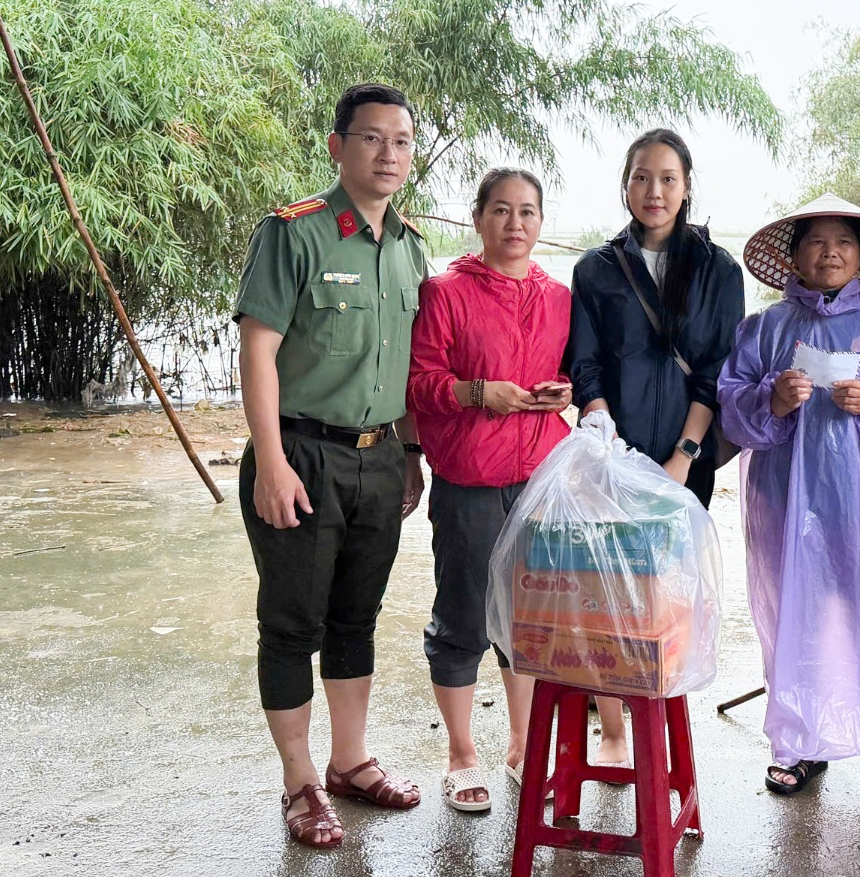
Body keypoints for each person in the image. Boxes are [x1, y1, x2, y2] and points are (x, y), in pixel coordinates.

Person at [235, 83, 426, 849]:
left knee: (356, 619)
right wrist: (271, 464)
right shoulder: (295, 233)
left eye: (402, 140)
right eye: (373, 137)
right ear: (337, 146)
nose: (389, 153)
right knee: (292, 625)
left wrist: (411, 454)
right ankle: (300, 780)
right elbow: (258, 348)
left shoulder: (411, 248)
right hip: (302, 454)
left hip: (381, 459)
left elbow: (410, 365)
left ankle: (351, 762)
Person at [717, 194, 860, 805]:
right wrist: (771, 400)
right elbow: (731, 405)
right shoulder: (764, 327)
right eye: (816, 242)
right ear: (794, 255)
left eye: (843, 242)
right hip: (785, 502)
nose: (830, 252)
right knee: (796, 614)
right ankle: (799, 742)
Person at [567, 128, 745, 768]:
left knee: (663, 593)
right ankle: (613, 730)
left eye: (668, 178)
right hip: (609, 456)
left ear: (687, 186)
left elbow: (717, 371)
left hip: (682, 457)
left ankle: (661, 714)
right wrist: (602, 428)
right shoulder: (595, 269)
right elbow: (583, 363)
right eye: (642, 177)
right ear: (625, 185)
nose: (655, 191)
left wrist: (685, 456)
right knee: (604, 592)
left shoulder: (719, 271)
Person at [406, 167, 573, 812]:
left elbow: (566, 371)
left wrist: (560, 390)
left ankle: (522, 742)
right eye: (501, 211)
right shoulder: (445, 291)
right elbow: (420, 386)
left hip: (541, 481)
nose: (515, 225)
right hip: (470, 479)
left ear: (541, 223)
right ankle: (460, 754)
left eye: (528, 212)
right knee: (465, 617)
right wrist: (480, 393)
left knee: (529, 621)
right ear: (477, 219)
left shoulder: (557, 296)